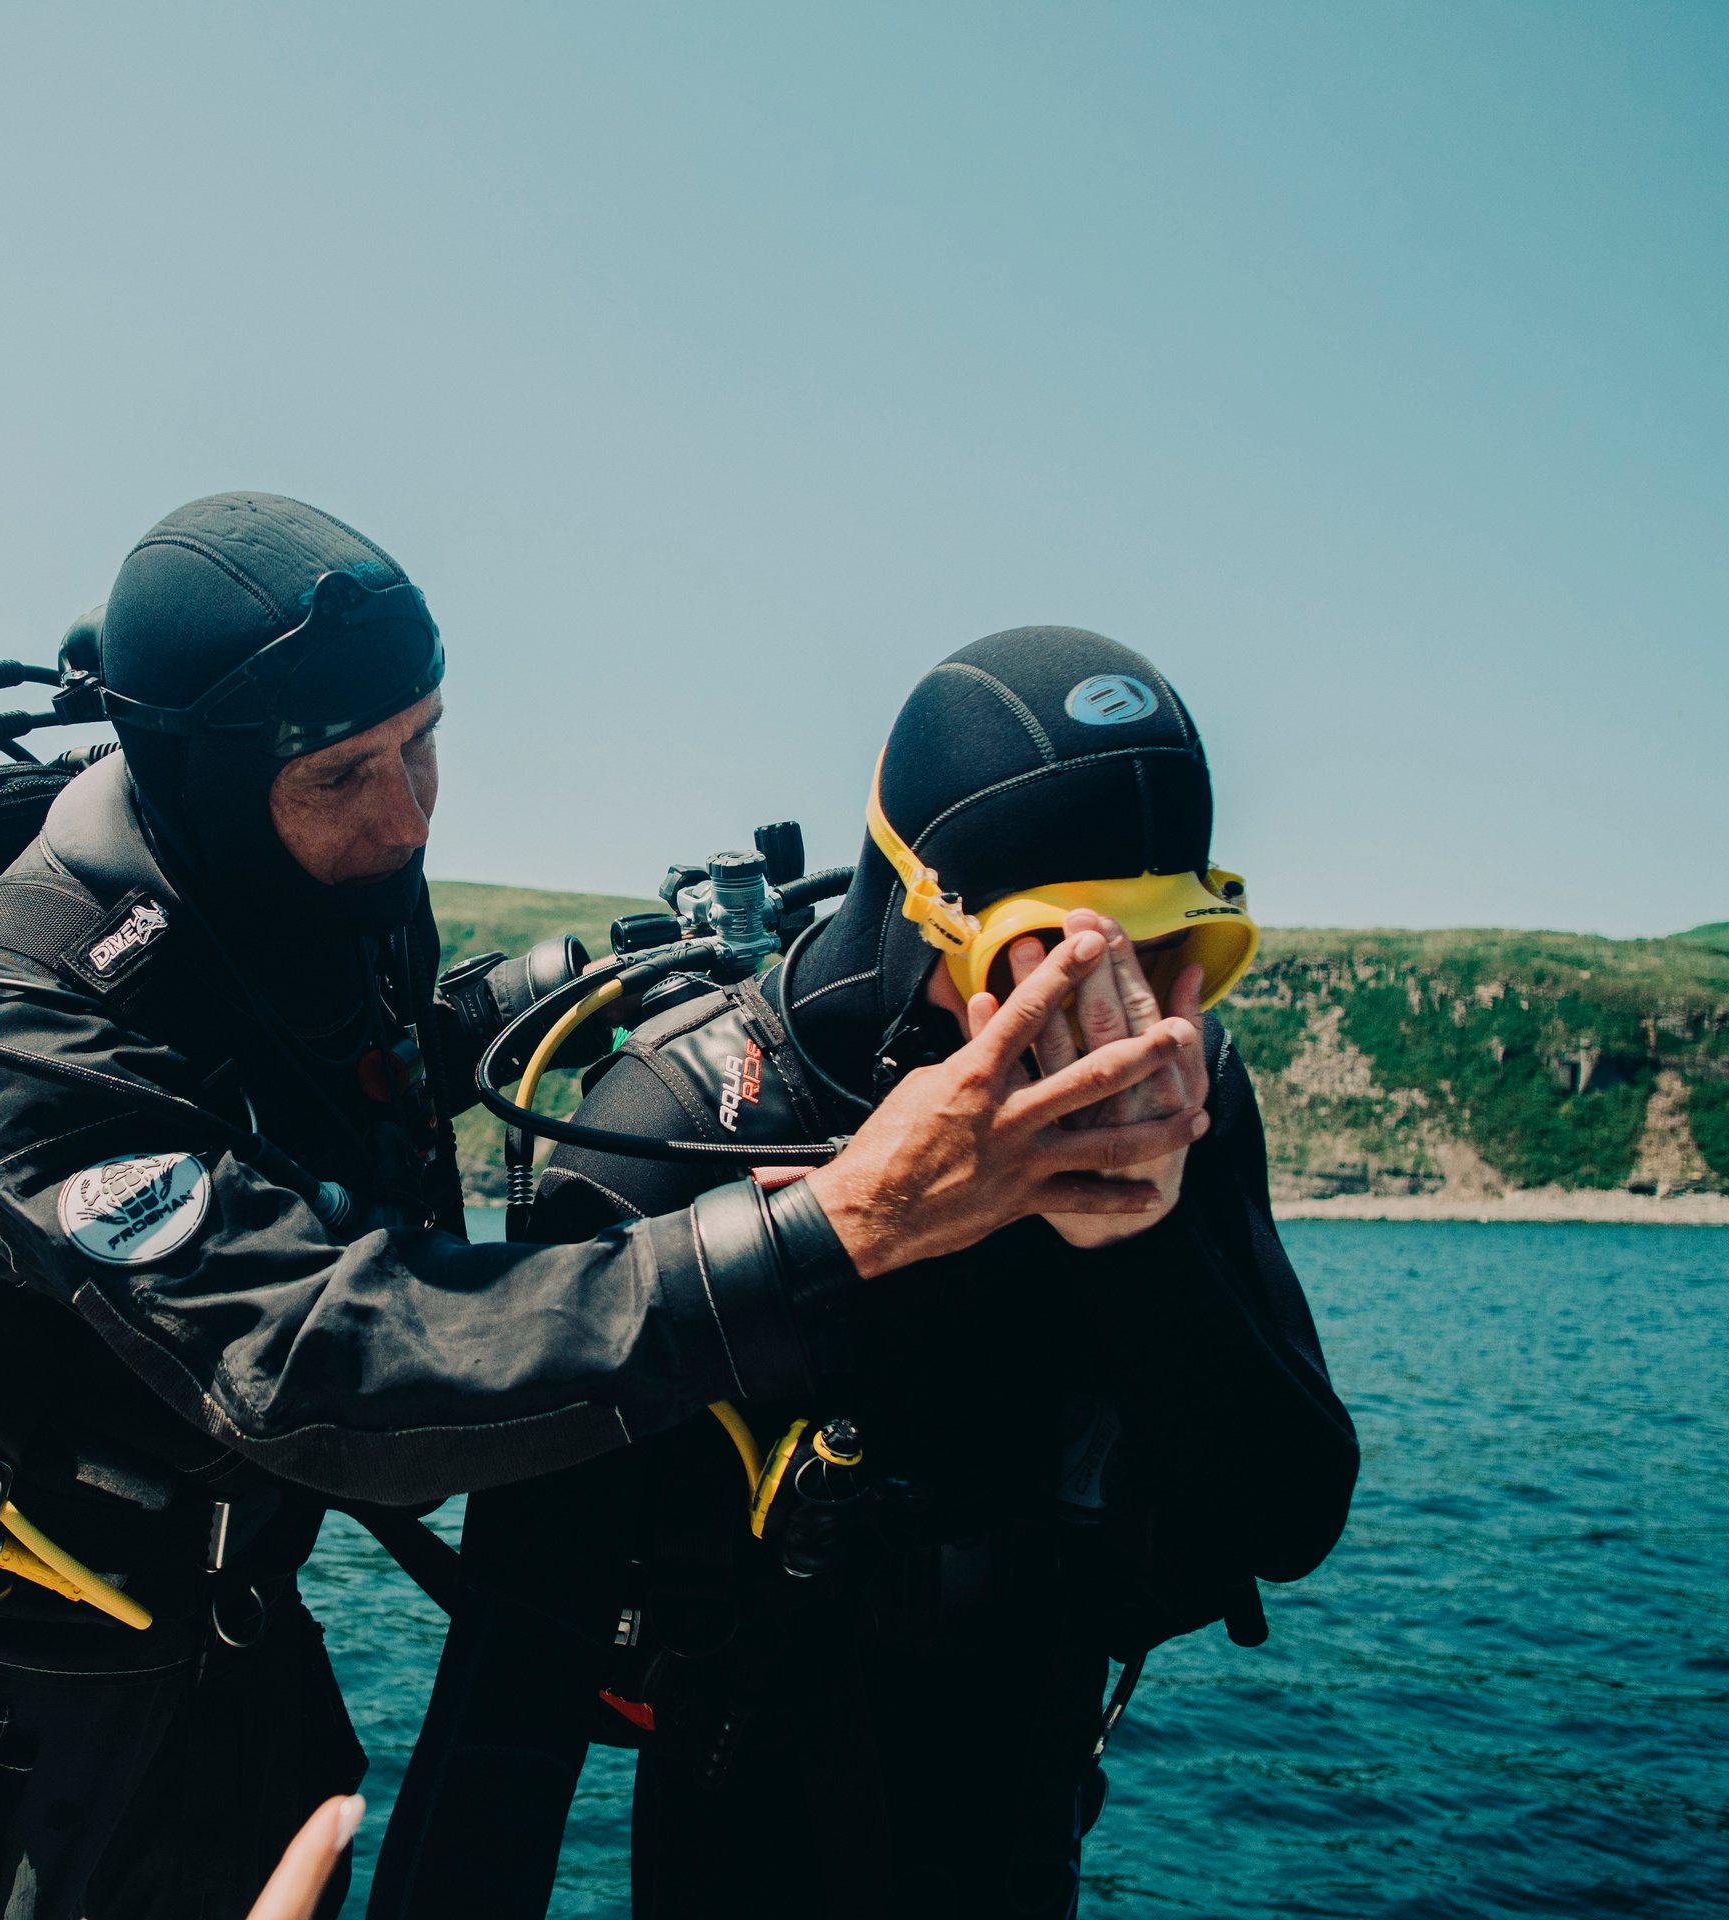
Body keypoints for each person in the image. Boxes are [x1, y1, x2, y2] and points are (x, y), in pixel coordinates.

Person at [0, 503, 1212, 1920]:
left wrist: (561, 999)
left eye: (426, 747)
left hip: (231, 1676)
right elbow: (330, 1361)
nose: (406, 815)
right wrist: (840, 1225)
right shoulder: (20, 1035)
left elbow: (337, 1085)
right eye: (346, 775)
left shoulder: (310, 896)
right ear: (207, 778)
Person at [368, 627, 1360, 1920]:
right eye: (1055, 959)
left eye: (1186, 949)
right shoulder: (672, 1136)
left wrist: (1142, 1235)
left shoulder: (1179, 1088)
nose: (1128, 1014)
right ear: (923, 916)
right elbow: (508, 1716)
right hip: (739, 1830)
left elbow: (1290, 1514)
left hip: (1020, 1822)